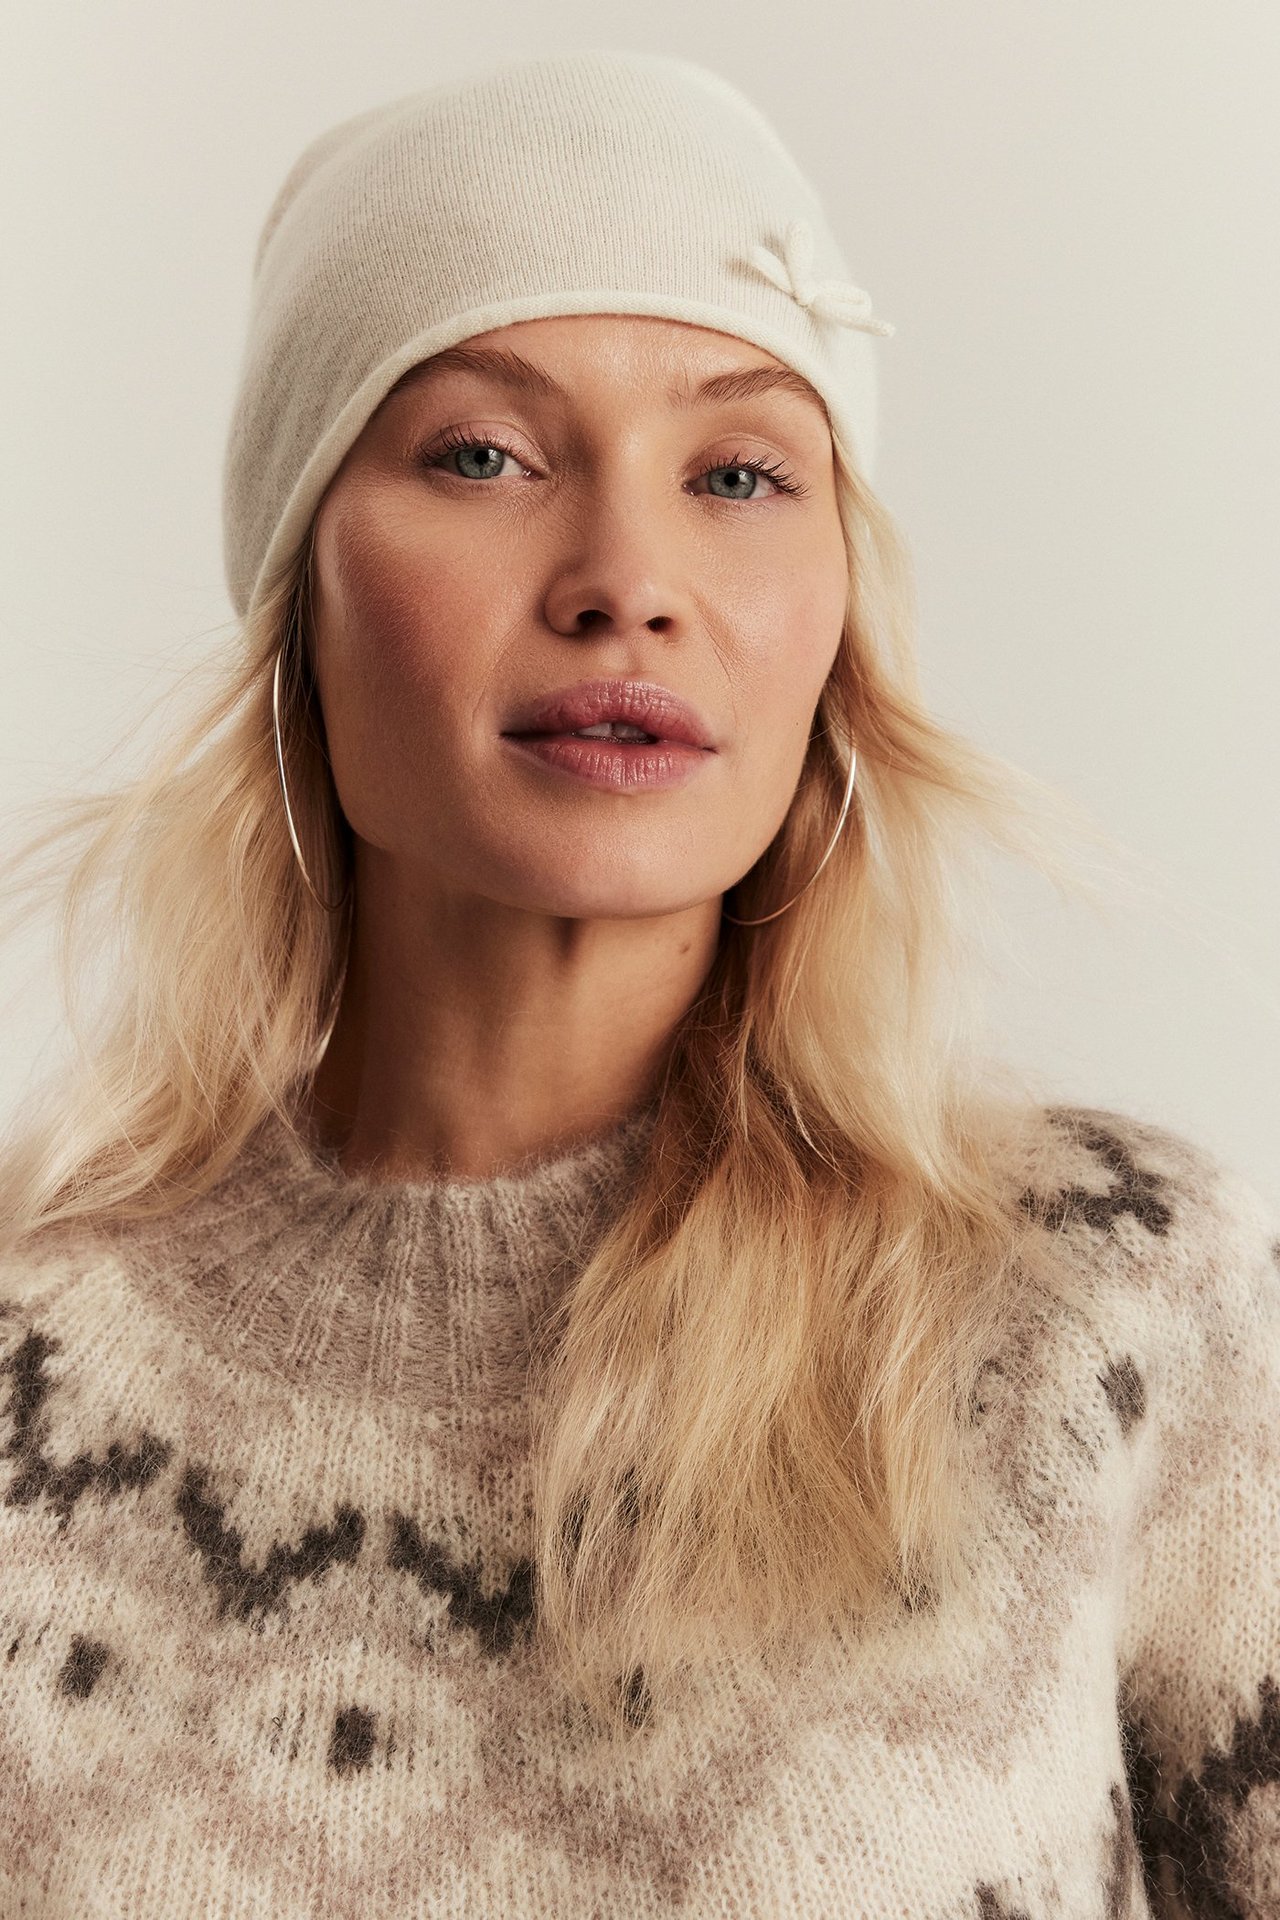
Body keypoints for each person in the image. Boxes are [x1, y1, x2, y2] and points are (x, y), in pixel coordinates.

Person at [0, 47, 1276, 1920]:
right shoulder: (25, 1370)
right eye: (484, 456)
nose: (627, 579)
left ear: (836, 617)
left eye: (741, 473)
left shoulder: (1112, 1311)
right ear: (301, 584)